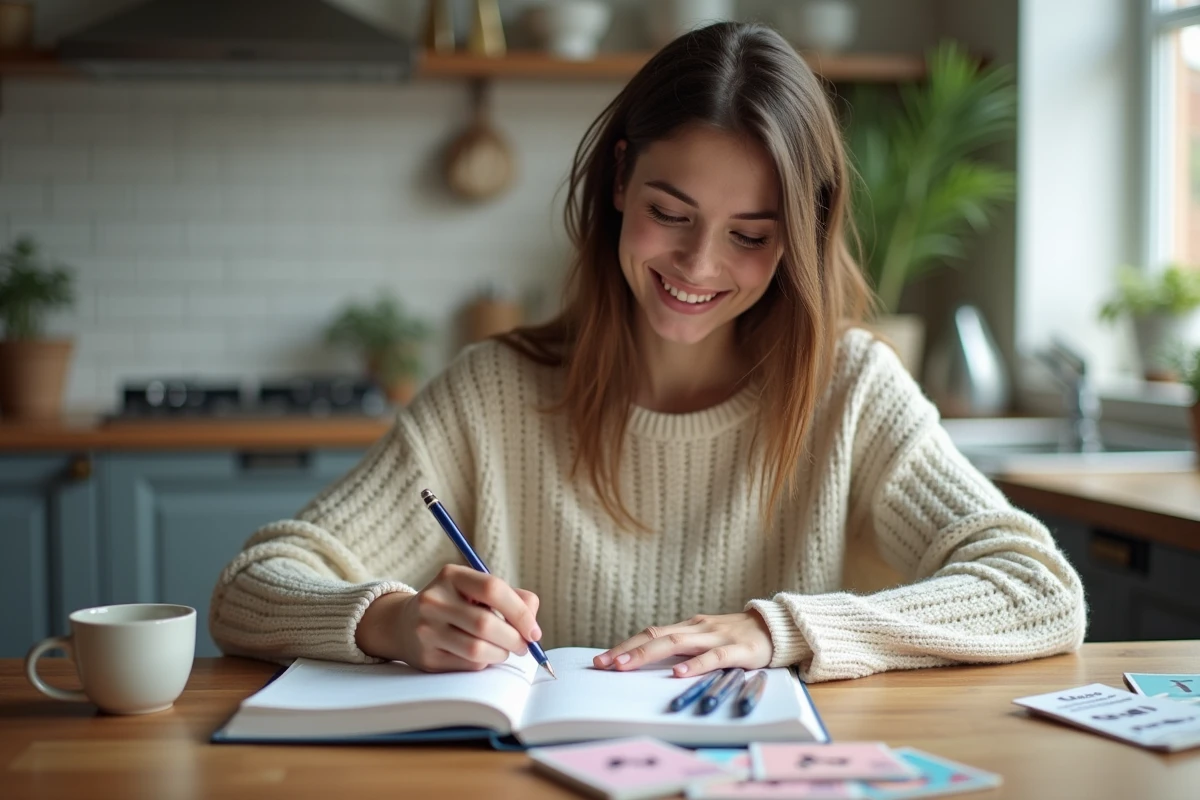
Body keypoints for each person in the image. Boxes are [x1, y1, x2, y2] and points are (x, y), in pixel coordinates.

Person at [209, 22, 1086, 683]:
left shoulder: (851, 390)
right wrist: (392, 623)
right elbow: (251, 586)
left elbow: (1040, 590)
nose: (699, 266)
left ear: (800, 235)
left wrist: (778, 631)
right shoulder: (492, 394)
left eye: (750, 234)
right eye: (671, 213)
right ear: (622, 178)